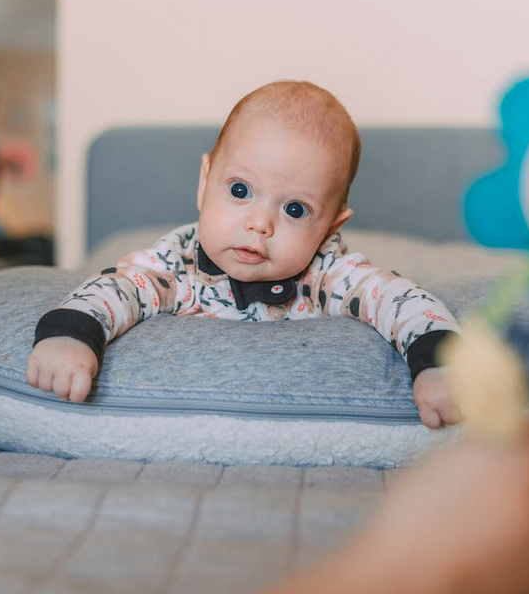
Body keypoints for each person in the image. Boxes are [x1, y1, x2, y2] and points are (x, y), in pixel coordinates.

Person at [26, 80, 462, 427]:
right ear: (204, 182)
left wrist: (437, 365)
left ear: (330, 228)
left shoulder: (330, 275)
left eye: (295, 209)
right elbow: (118, 288)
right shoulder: (177, 263)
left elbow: (398, 298)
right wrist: (72, 333)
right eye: (240, 190)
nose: (259, 224)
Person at [263, 381, 529, 594]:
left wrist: (430, 366)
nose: (258, 225)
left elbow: (405, 309)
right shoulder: (193, 260)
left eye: (295, 210)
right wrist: (418, 573)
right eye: (238, 207)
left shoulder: (344, 275)